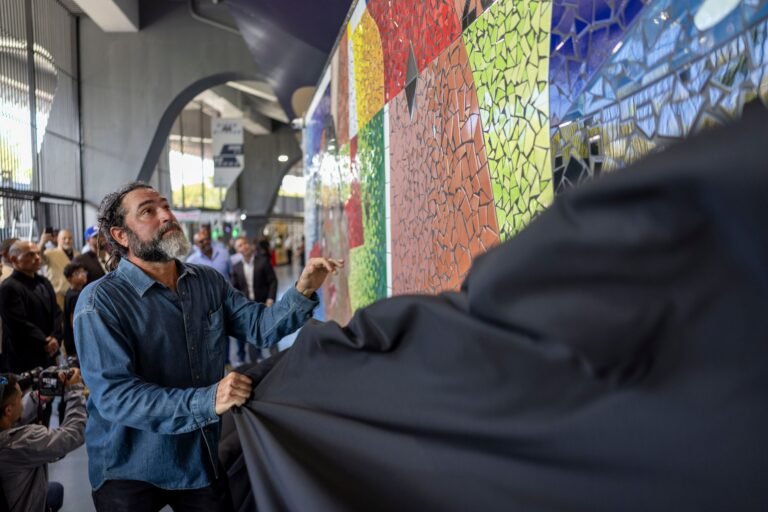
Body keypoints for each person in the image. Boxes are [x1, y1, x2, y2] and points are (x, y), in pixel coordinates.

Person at [73, 181, 342, 511]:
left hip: (197, 457)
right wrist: (208, 399)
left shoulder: (207, 282)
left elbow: (261, 328)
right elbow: (116, 396)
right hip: (130, 465)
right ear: (121, 236)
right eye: (148, 211)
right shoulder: (101, 302)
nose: (167, 215)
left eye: (166, 206)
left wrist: (302, 290)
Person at [0, 370, 86, 512]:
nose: (23, 401)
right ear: (8, 410)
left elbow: (13, 419)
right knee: (56, 491)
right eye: (21, 398)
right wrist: (75, 391)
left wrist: (39, 397)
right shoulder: (23, 441)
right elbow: (75, 433)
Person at [0, 241, 62, 375]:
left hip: (48, 352)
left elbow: (56, 312)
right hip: (24, 355)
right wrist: (44, 341)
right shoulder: (9, 287)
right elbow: (18, 323)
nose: (37, 257)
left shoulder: (43, 281)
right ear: (14, 259)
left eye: (38, 253)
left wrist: (55, 336)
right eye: (30, 254)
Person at [230, 236, 278, 363]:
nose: (244, 246)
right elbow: (235, 288)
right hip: (248, 307)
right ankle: (256, 361)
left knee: (272, 331)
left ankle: (277, 360)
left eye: (245, 243)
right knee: (252, 336)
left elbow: (273, 281)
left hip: (265, 304)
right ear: (237, 250)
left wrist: (270, 299)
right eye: (240, 245)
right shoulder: (236, 267)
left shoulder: (263, 261)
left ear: (250, 245)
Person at [43, 229, 80, 310]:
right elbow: (40, 259)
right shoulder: (49, 253)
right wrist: (42, 242)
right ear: (58, 240)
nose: (67, 241)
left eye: (70, 238)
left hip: (75, 295)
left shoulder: (77, 254)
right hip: (58, 296)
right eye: (64, 238)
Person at [62, 262, 87, 358]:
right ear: (69, 279)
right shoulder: (74, 296)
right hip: (75, 342)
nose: (82, 275)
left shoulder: (72, 292)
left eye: (83, 272)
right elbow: (74, 322)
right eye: (77, 273)